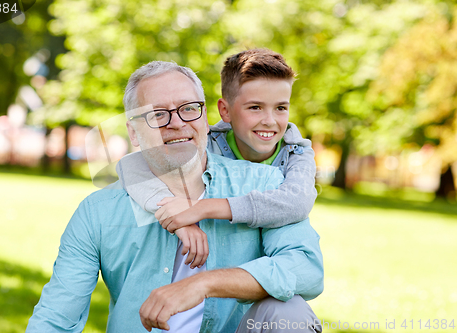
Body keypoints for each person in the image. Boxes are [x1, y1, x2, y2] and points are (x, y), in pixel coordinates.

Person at [26, 61, 323, 333]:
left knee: (289, 312)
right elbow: (56, 318)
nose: (178, 123)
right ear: (133, 131)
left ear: (205, 117)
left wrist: (204, 284)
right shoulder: (99, 212)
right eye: (158, 114)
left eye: (189, 108)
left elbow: (306, 269)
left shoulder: (264, 183)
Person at [122, 49, 316, 269]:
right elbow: (131, 165)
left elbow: (297, 203)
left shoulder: (297, 154)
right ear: (225, 110)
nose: (270, 121)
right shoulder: (207, 140)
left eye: (281, 108)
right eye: (255, 107)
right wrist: (177, 219)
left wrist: (201, 208)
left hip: (270, 256)